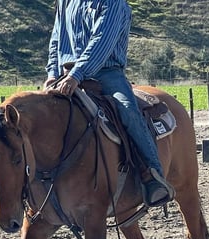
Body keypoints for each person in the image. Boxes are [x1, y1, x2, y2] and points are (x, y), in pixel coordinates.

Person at [44, 0, 175, 207]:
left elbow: (102, 41)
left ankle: (153, 176)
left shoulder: (113, 3)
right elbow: (56, 39)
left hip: (106, 73)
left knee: (127, 110)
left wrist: (77, 74)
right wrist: (52, 74)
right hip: (65, 75)